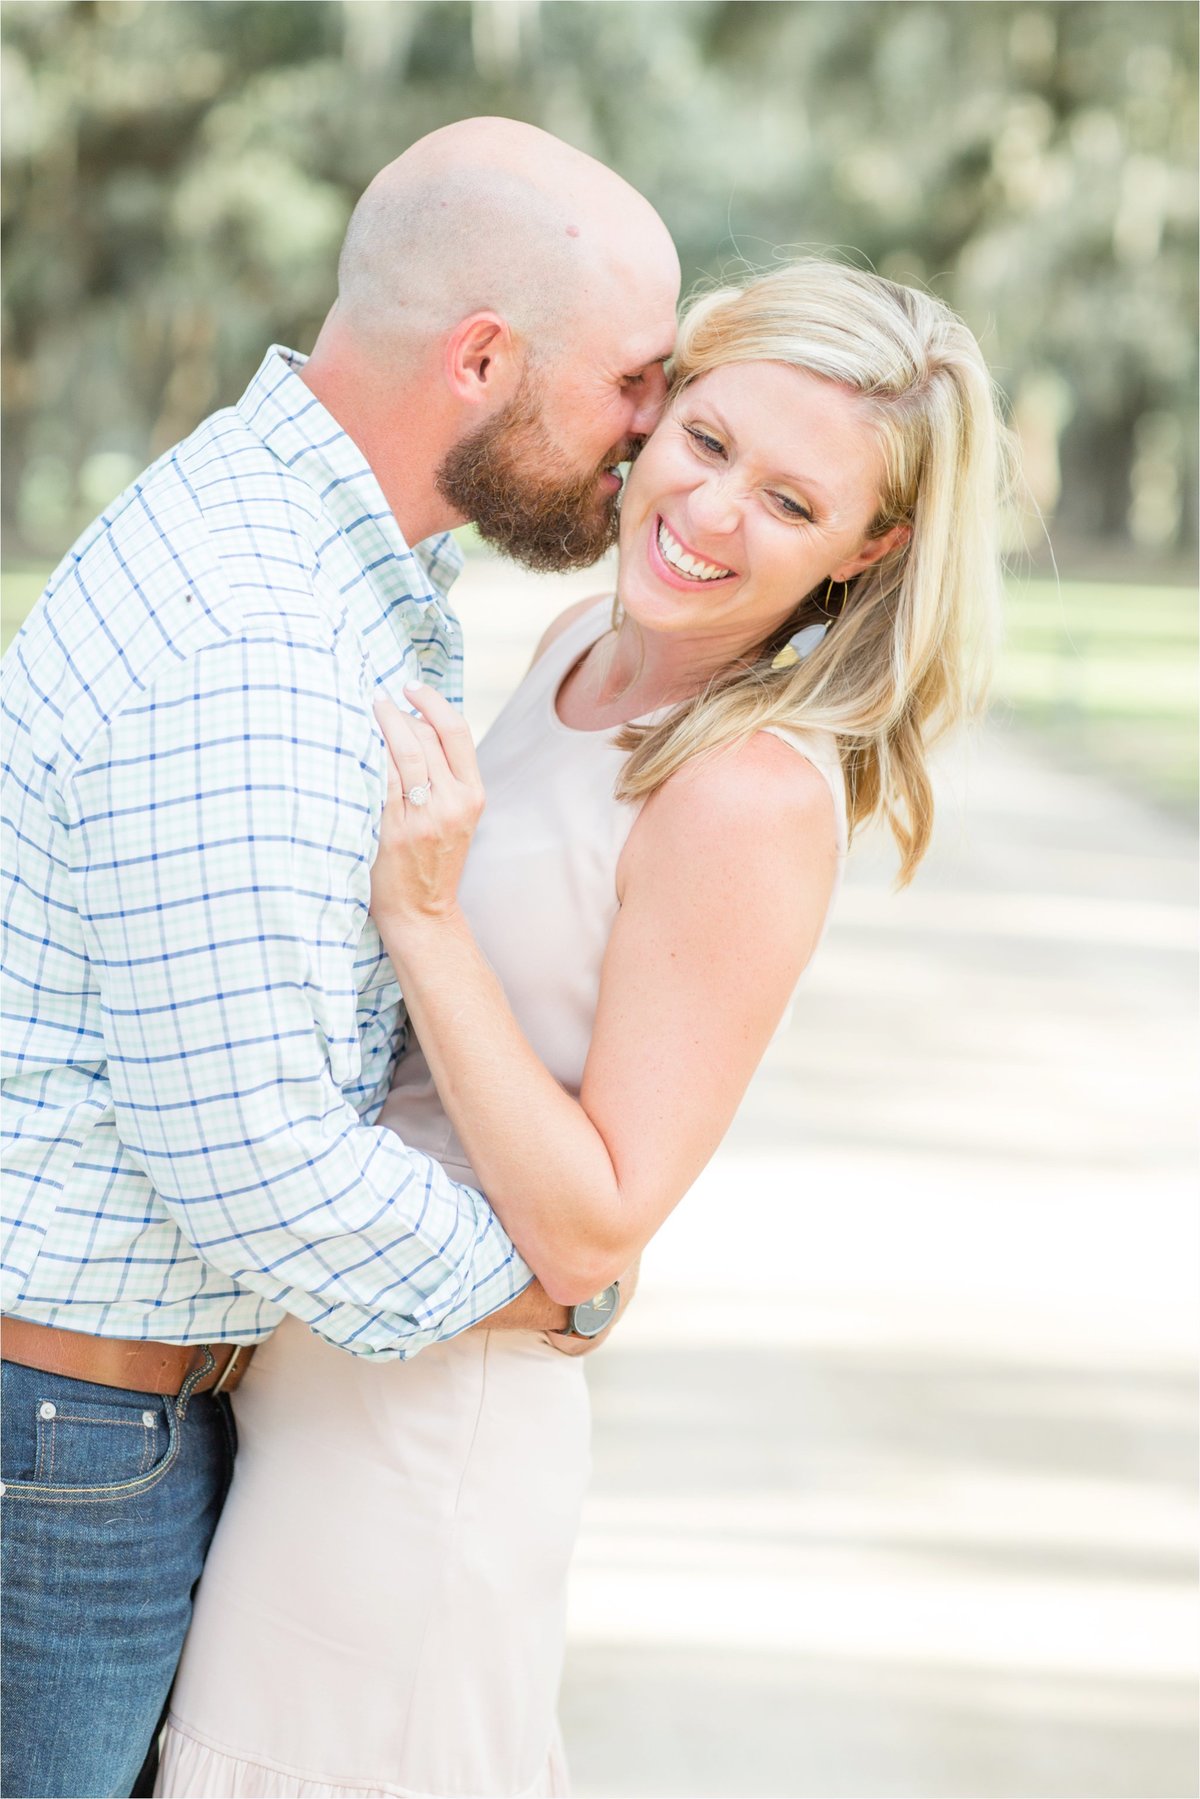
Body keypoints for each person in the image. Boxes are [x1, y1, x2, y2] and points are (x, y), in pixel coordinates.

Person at [153, 259, 1010, 1799]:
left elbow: (598, 1228)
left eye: (794, 504)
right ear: (658, 409)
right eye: (710, 443)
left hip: (422, 1452)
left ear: (866, 551)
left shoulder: (746, 791)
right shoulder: (572, 659)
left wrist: (419, 919)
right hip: (315, 1369)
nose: (714, 512)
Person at [0, 116, 680, 1799]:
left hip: (103, 1431)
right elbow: (253, 1164)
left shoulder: (336, 564)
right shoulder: (254, 632)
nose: (653, 440)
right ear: (481, 359)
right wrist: (543, 1279)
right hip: (64, 1455)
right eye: (635, 385)